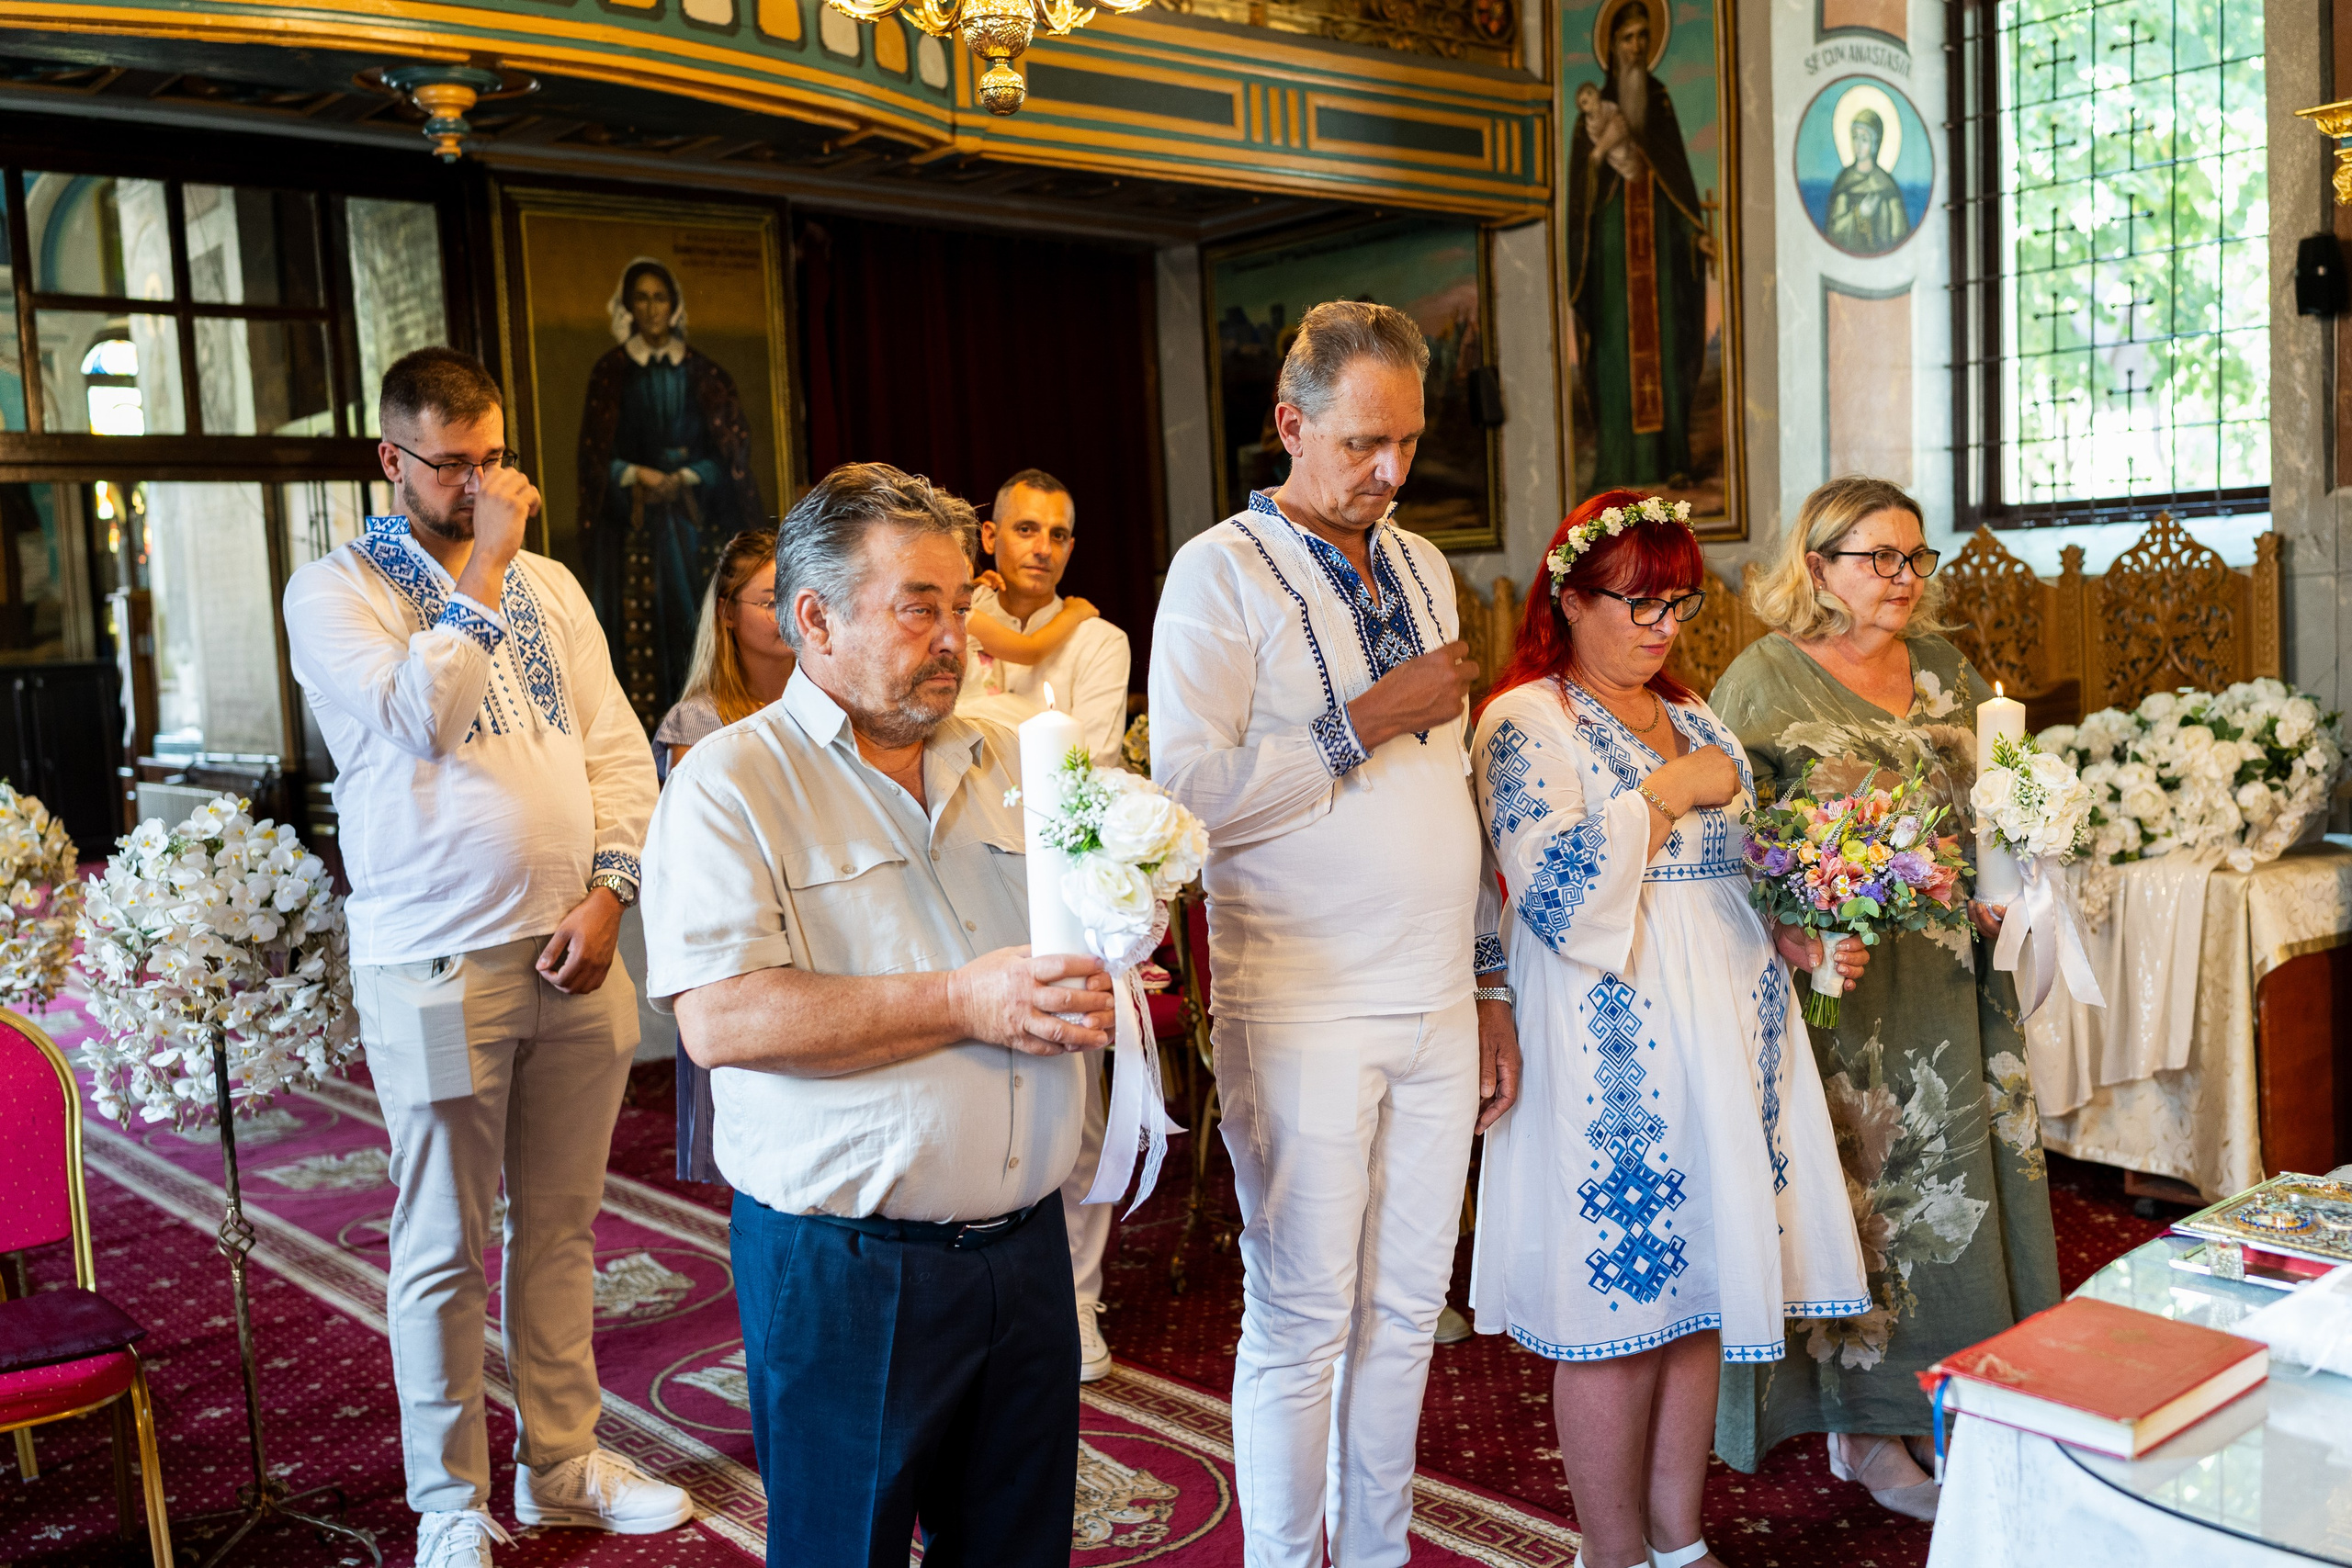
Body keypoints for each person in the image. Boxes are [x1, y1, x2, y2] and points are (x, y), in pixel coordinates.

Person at [639, 461, 1115, 1567]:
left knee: (1017, 1551)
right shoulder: (729, 783)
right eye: (919, 608)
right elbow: (721, 1021)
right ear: (815, 618)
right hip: (849, 1265)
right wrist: (964, 1000)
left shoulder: (1013, 757)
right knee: (843, 1549)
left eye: (961, 606)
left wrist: (1101, 976)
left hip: (1026, 1249)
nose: (957, 635)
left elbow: (1057, 951)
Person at [281, 348, 691, 1568]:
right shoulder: (335, 592)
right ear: (389, 458)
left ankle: (562, 1463)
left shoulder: (554, 588)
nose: (477, 484)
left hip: (575, 946)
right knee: (443, 1240)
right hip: (435, 959)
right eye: (452, 464)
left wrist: (615, 888)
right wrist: (487, 562)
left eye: (491, 459)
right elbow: (425, 713)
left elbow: (619, 749)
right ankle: (449, 1500)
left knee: (562, 1228)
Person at [1151, 299, 1516, 1568]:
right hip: (1301, 997)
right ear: (1290, 424)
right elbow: (1186, 795)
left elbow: (1455, 779)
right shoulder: (1217, 572)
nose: (1393, 471)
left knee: (1408, 1310)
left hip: (1430, 995)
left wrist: (1486, 976)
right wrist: (1362, 719)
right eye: (1366, 442)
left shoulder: (1417, 562)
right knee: (1304, 1313)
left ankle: (1376, 1551)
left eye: (1409, 441)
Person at [1466, 490, 1869, 1568]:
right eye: (1633, 602)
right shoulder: (1524, 720)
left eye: (1677, 604)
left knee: (1698, 1294)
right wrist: (1663, 795)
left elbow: (1733, 874)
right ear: (1570, 596)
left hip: (1730, 1023)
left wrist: (1798, 937)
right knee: (1617, 1306)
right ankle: (1610, 1551)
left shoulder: (1697, 715)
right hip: (1611, 1034)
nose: (1658, 627)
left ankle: (1676, 1541)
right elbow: (1549, 890)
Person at [1710, 475, 2061, 1519]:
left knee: (1954, 1190)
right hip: (1839, 995)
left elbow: (2006, 806)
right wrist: (1795, 922)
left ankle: (1937, 1404)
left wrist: (2026, 874)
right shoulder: (1761, 681)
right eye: (1880, 558)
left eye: (1917, 558)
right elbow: (1725, 839)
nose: (1906, 579)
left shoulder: (1951, 671)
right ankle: (1859, 1435)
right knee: (1861, 1199)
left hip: (1952, 983)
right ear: (1815, 566)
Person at [954, 466, 1135, 1382]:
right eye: (1025, 530)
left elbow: (1089, 759)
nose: (1042, 549)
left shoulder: (1096, 639)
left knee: (1078, 1108)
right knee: (973, 1099)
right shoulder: (951, 618)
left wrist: (985, 713)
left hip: (1061, 883)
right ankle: (987, 1303)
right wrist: (1007, 704)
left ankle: (1079, 1302)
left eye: (1059, 535)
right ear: (990, 535)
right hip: (956, 881)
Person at [579, 257, 763, 726]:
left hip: (692, 526)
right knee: (638, 627)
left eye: (660, 297)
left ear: (674, 304)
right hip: (635, 530)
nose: (652, 308)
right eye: (641, 298)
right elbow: (597, 457)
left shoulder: (705, 374)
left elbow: (730, 458)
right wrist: (636, 475)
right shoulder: (610, 373)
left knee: (694, 617)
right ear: (628, 307)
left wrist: (686, 477)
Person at [1566, 0, 1712, 489]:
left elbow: (1679, 184)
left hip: (1661, 259)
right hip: (1611, 261)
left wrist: (1696, 236)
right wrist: (1601, 164)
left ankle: (1672, 461)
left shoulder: (1661, 102)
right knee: (1615, 356)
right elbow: (1579, 193)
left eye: (1643, 37)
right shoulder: (1589, 117)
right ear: (1611, 45)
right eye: (1628, 38)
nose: (1637, 47)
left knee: (1665, 353)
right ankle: (1617, 468)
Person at [654, 525, 790, 778]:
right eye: (771, 602)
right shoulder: (699, 720)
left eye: (794, 597)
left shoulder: (829, 701)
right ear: (727, 612)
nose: (788, 613)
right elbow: (686, 816)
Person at [1826, 108, 1909, 254]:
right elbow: (1835, 232)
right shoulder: (1845, 181)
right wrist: (1860, 213)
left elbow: (1899, 233)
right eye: (1855, 137)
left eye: (1864, 139)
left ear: (1875, 143)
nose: (1858, 144)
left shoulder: (1886, 184)